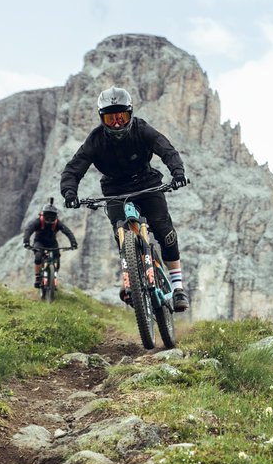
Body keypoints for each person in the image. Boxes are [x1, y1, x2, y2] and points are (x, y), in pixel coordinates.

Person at [60, 86, 190, 312]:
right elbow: (73, 169)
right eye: (111, 118)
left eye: (122, 116)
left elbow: (166, 149)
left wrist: (177, 172)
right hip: (114, 188)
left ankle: (178, 287)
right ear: (102, 119)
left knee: (164, 231)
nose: (117, 123)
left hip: (147, 183)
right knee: (122, 234)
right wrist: (70, 192)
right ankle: (130, 280)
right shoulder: (95, 140)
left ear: (130, 113)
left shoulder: (142, 129)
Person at [22, 199, 78, 288]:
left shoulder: (57, 223)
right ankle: (37, 278)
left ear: (55, 216)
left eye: (52, 216)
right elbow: (28, 230)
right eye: (48, 216)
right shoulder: (37, 222)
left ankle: (53, 277)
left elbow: (68, 232)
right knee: (38, 257)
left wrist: (73, 243)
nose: (50, 218)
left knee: (57, 261)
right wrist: (26, 242)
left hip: (52, 243)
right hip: (39, 242)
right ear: (43, 215)